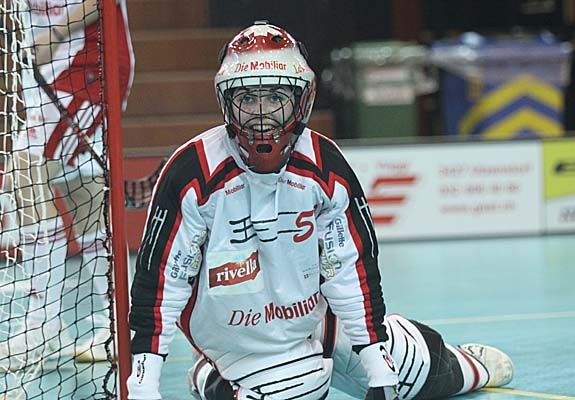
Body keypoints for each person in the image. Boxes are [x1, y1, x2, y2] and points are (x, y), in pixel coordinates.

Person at [126, 22, 514, 400]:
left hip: (317, 319)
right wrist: (143, 387)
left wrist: (379, 368)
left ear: (302, 99)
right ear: (226, 102)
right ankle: (212, 372)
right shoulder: (191, 172)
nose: (261, 114)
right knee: (299, 386)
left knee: (411, 372)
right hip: (239, 340)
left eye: (275, 98)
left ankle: (463, 362)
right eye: (246, 98)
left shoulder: (326, 166)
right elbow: (160, 285)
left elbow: (351, 268)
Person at [0, 0, 134, 371]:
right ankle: (120, 322)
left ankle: (42, 325)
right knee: (83, 192)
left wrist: (57, 33)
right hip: (46, 72)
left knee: (25, 171)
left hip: (87, 64)